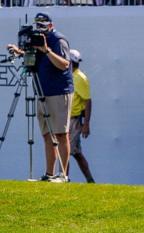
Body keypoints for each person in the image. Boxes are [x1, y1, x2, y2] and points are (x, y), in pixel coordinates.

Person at [6, 13, 74, 182]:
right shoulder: (38, 39)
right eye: (38, 25)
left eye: (43, 25)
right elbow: (37, 59)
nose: (40, 28)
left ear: (51, 25)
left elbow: (64, 64)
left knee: (60, 133)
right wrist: (20, 52)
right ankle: (49, 174)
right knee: (47, 134)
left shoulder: (58, 40)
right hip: (42, 91)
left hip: (59, 91)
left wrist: (46, 49)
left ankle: (63, 175)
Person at [66, 49, 94, 183]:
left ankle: (64, 179)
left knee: (65, 152)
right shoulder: (68, 75)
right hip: (65, 119)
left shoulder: (80, 78)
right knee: (76, 153)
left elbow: (87, 101)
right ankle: (90, 180)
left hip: (74, 121)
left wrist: (86, 124)